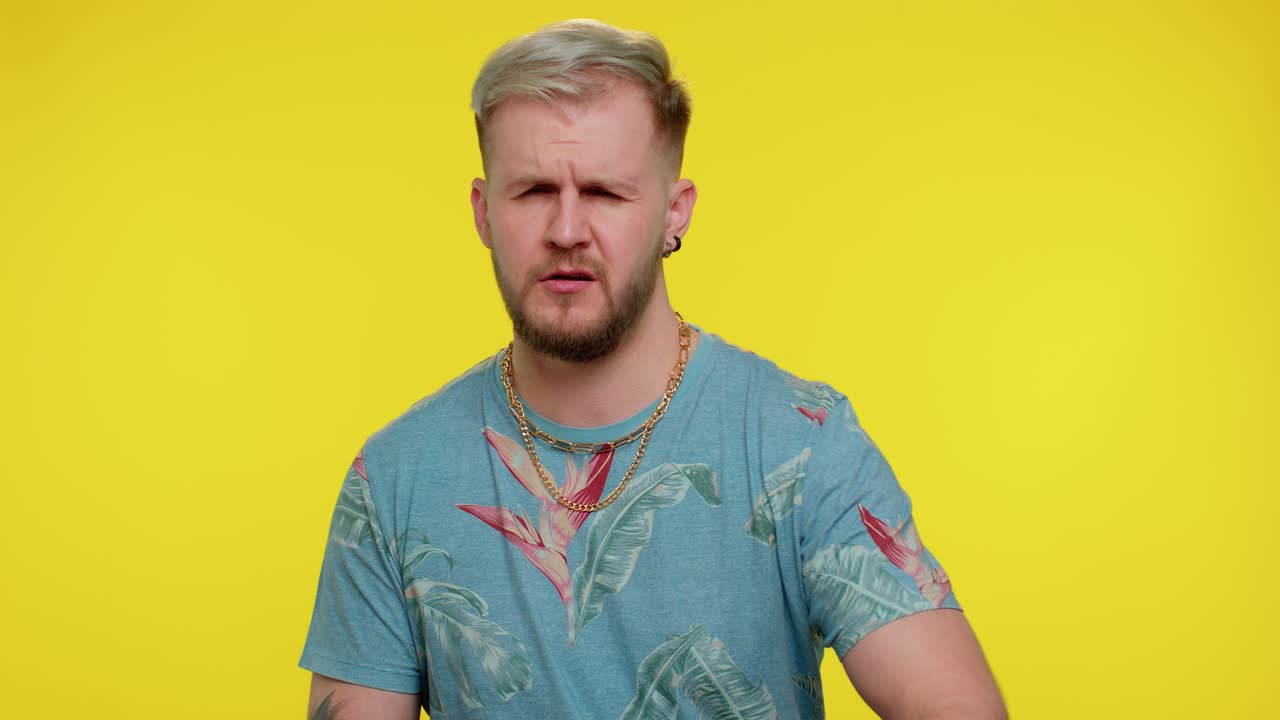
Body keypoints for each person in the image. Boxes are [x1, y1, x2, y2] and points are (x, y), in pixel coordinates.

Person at [298, 18, 1007, 720]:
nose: (567, 230)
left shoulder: (800, 441)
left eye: (606, 193)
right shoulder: (393, 478)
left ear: (675, 213)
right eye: (534, 191)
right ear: (484, 213)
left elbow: (952, 701)